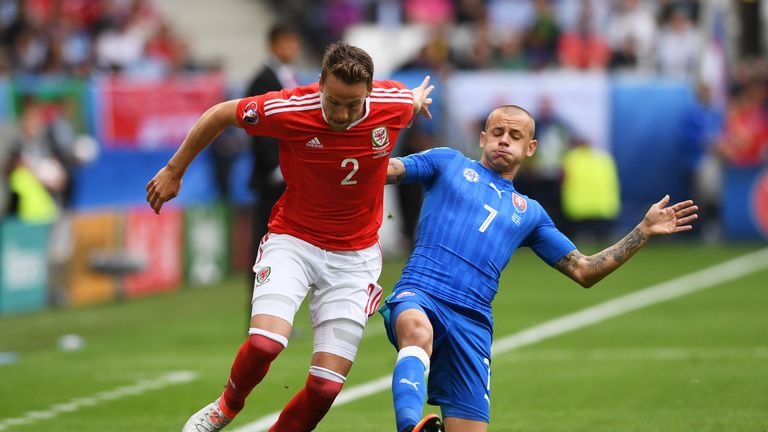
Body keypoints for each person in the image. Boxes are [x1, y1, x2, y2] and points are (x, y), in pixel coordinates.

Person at [145, 42, 433, 432]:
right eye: (334, 101)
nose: (343, 114)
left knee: (326, 387)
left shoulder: (393, 103)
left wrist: (417, 99)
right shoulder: (289, 108)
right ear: (319, 85)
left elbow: (409, 101)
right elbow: (219, 114)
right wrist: (174, 170)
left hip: (356, 257)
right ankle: (226, 408)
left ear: (368, 92)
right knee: (267, 342)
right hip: (293, 241)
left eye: (353, 104)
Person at [380, 105, 698, 432]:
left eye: (515, 136)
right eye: (497, 133)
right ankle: (409, 427)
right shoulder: (447, 162)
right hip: (422, 292)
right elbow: (386, 170)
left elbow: (584, 270)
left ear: (530, 148)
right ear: (482, 138)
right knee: (417, 332)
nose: (504, 141)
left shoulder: (530, 213)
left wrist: (642, 231)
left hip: (473, 322)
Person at [244, 23, 301, 276]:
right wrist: (276, 168)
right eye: (284, 42)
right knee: (263, 244)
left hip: (287, 176)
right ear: (272, 45)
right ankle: (257, 309)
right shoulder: (262, 79)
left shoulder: (289, 76)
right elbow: (256, 126)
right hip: (272, 178)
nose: (290, 48)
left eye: (293, 42)